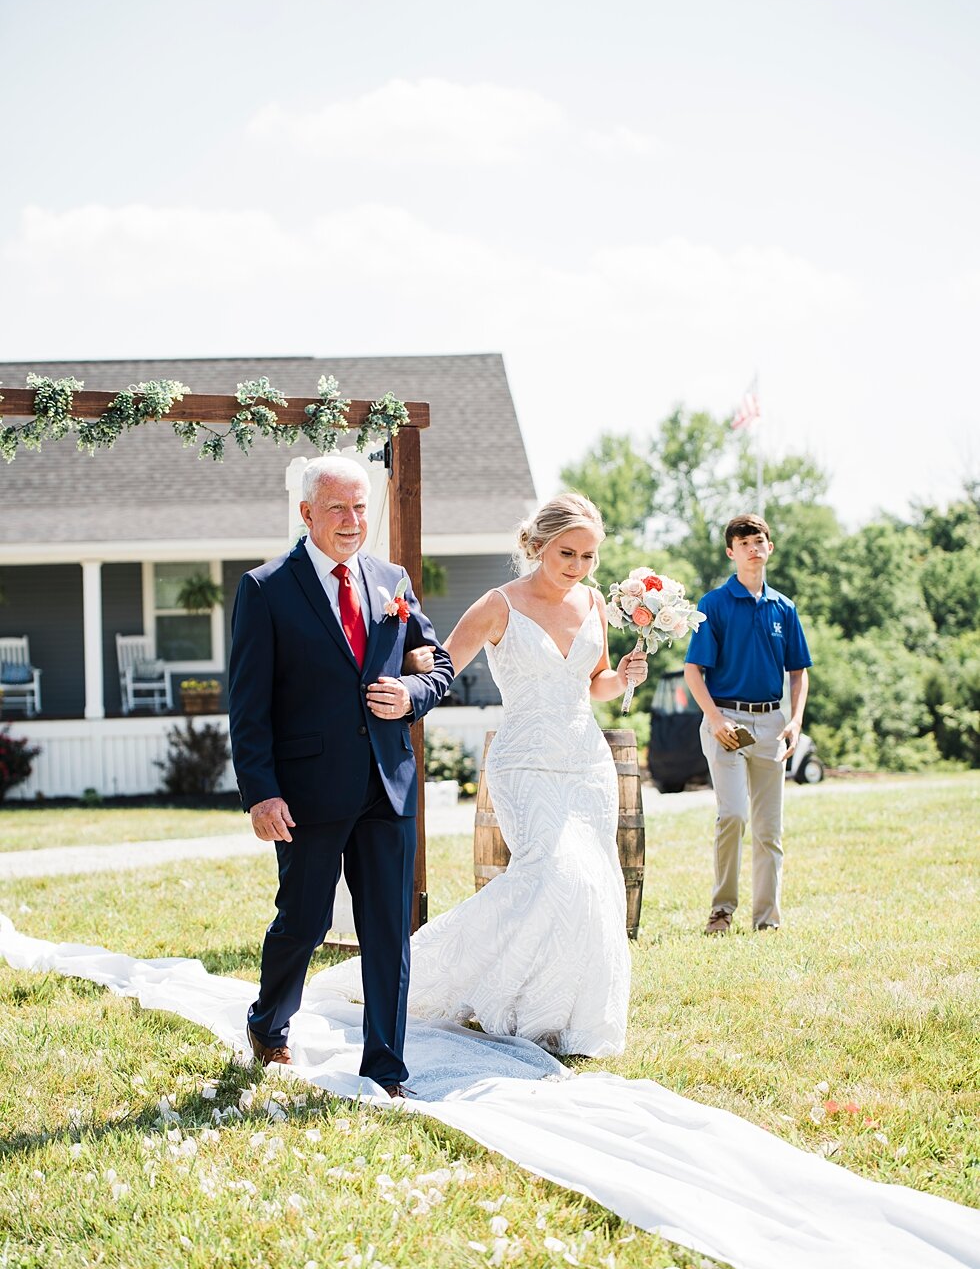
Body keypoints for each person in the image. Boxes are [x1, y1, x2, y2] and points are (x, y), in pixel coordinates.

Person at [323, 492, 648, 1058]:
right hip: (524, 762)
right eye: (568, 553)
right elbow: (440, 666)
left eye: (589, 557)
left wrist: (622, 678)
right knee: (554, 873)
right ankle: (446, 978)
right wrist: (398, 687)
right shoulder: (499, 605)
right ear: (540, 546)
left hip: (586, 762)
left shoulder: (594, 603)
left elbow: (594, 683)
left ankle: (560, 1015)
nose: (578, 567)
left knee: (593, 883)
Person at [227, 454, 454, 1094]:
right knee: (304, 921)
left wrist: (413, 691)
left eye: (360, 508)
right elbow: (248, 704)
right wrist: (261, 792)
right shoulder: (266, 588)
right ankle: (269, 1025)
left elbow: (434, 663)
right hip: (307, 793)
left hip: (389, 784)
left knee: (389, 929)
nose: (352, 521)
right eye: (337, 508)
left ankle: (386, 1067)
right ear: (306, 513)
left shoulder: (392, 580)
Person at [683, 512, 812, 935]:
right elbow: (693, 671)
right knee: (734, 815)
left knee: (769, 829)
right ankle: (721, 911)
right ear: (730, 552)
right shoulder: (713, 605)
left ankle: (767, 919)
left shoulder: (784, 607)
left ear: (769, 548)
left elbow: (798, 671)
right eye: (743, 544)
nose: (753, 549)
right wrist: (714, 718)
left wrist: (794, 720)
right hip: (726, 720)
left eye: (759, 542)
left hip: (772, 723)